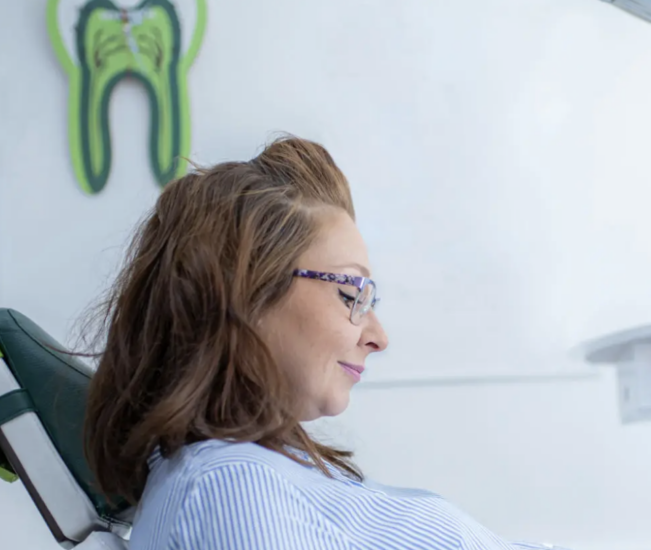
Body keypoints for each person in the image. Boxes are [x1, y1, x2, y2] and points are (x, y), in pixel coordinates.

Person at [82, 136, 564, 549]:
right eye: (351, 293)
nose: (378, 336)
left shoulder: (256, 475)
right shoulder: (227, 489)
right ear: (246, 292)